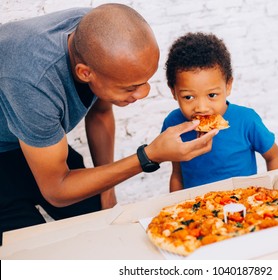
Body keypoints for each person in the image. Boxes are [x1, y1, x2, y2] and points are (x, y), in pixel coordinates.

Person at [0, 4, 218, 240]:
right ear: (85, 73)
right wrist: (149, 156)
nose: (144, 93)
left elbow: (101, 112)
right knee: (26, 248)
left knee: (96, 214)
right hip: (7, 148)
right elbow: (57, 190)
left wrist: (107, 190)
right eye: (131, 87)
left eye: (146, 81)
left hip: (30, 131)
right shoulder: (34, 85)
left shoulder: (93, 33)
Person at [162, 32, 278, 192]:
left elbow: (274, 156)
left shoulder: (247, 120)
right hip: (196, 209)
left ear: (228, 86)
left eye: (212, 95)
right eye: (189, 97)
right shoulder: (173, 124)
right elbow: (177, 173)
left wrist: (275, 194)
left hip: (244, 206)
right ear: (173, 92)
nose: (202, 107)